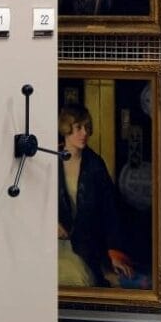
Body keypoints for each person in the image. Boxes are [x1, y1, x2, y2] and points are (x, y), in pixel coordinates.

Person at [57, 105, 134, 287]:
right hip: (52, 245)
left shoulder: (95, 165)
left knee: (81, 279)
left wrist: (113, 251)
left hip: (87, 246)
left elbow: (110, 211)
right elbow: (33, 203)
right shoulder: (50, 162)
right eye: (78, 128)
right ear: (66, 130)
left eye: (87, 128)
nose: (85, 133)